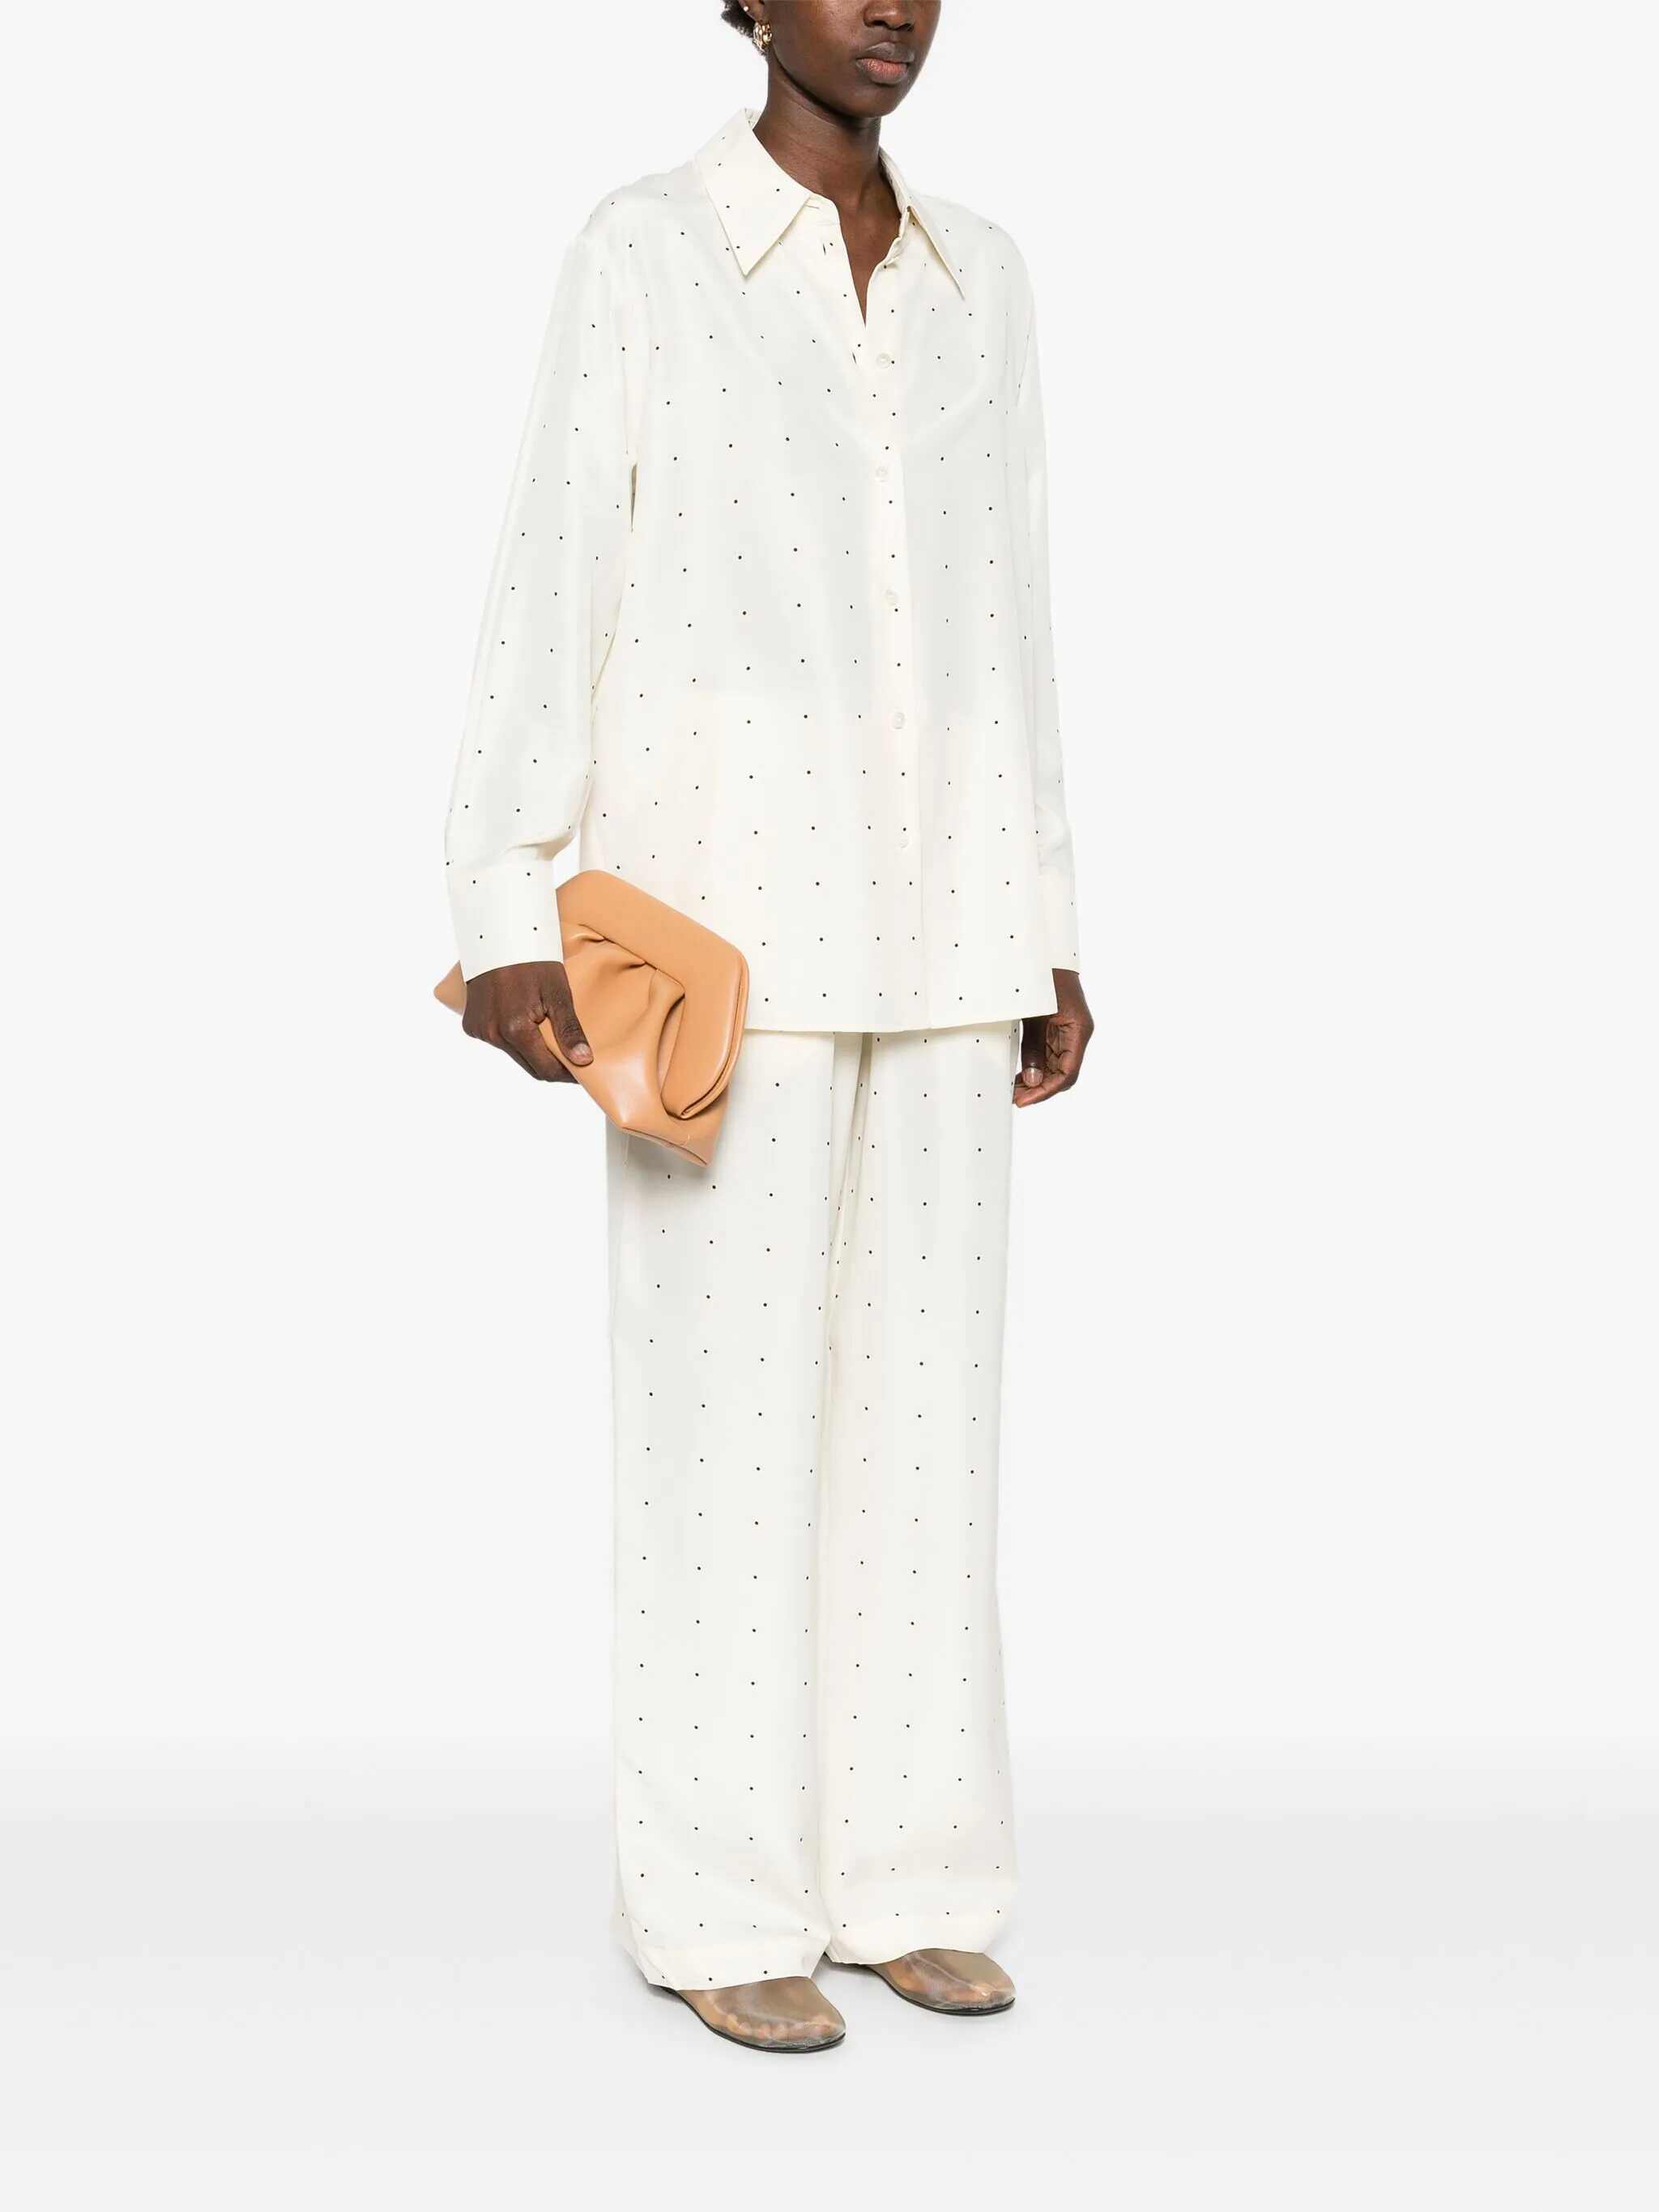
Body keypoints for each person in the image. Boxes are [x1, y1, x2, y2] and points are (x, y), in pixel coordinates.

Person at [443, 0, 1091, 2052]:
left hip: (949, 920)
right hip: (714, 925)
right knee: (721, 1436)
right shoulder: (647, 250)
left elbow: (1010, 608)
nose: (889, 6)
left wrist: (1048, 920)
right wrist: (505, 906)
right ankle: (721, 1899)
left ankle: (911, 1877)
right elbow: (553, 565)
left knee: (928, 1429)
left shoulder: (986, 280)